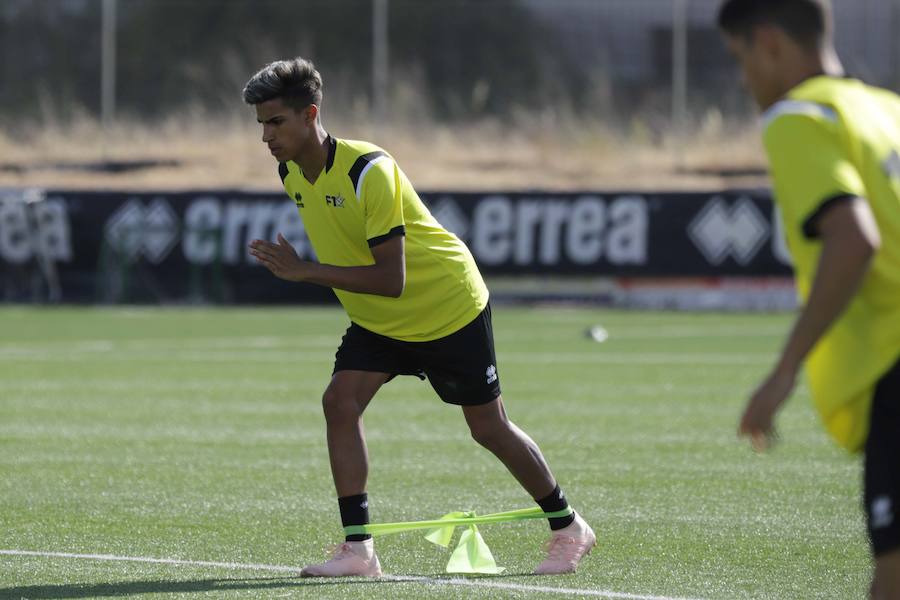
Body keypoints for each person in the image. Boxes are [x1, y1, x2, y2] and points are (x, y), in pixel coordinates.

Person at [241, 57, 595, 577]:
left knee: (488, 428)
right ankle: (358, 551)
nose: (266, 137)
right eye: (260, 125)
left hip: (447, 308)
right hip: (381, 321)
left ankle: (568, 527)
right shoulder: (290, 171)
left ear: (310, 114)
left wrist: (305, 272)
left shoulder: (370, 171)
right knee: (339, 402)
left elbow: (393, 279)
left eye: (275, 122)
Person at [717, 0, 900, 597]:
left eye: (740, 58)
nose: (744, 80)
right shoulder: (887, 111)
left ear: (768, 41)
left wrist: (783, 371)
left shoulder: (801, 116)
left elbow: (853, 240)